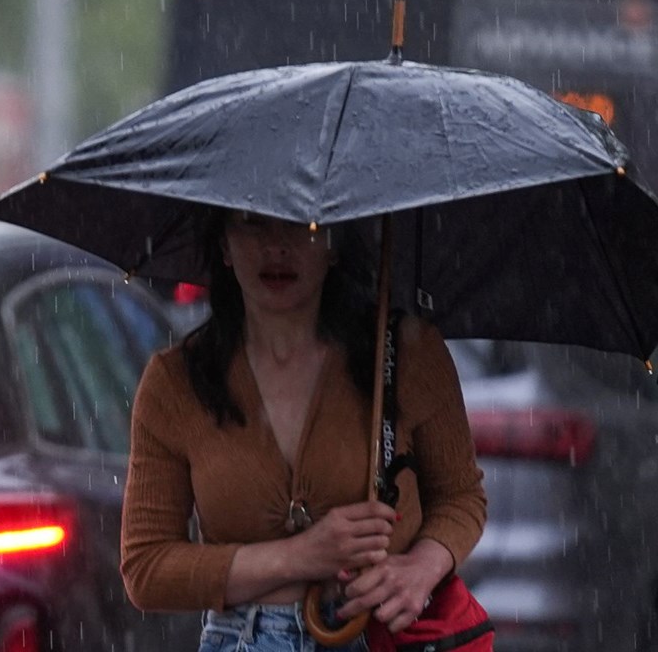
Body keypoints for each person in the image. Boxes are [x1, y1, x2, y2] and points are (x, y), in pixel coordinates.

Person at [120, 209, 487, 651]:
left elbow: (461, 495)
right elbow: (146, 567)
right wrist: (299, 556)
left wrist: (422, 568)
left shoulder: (405, 354)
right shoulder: (174, 382)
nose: (277, 245)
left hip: (378, 632)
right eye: (252, 221)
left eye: (303, 224)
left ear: (335, 244)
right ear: (223, 246)